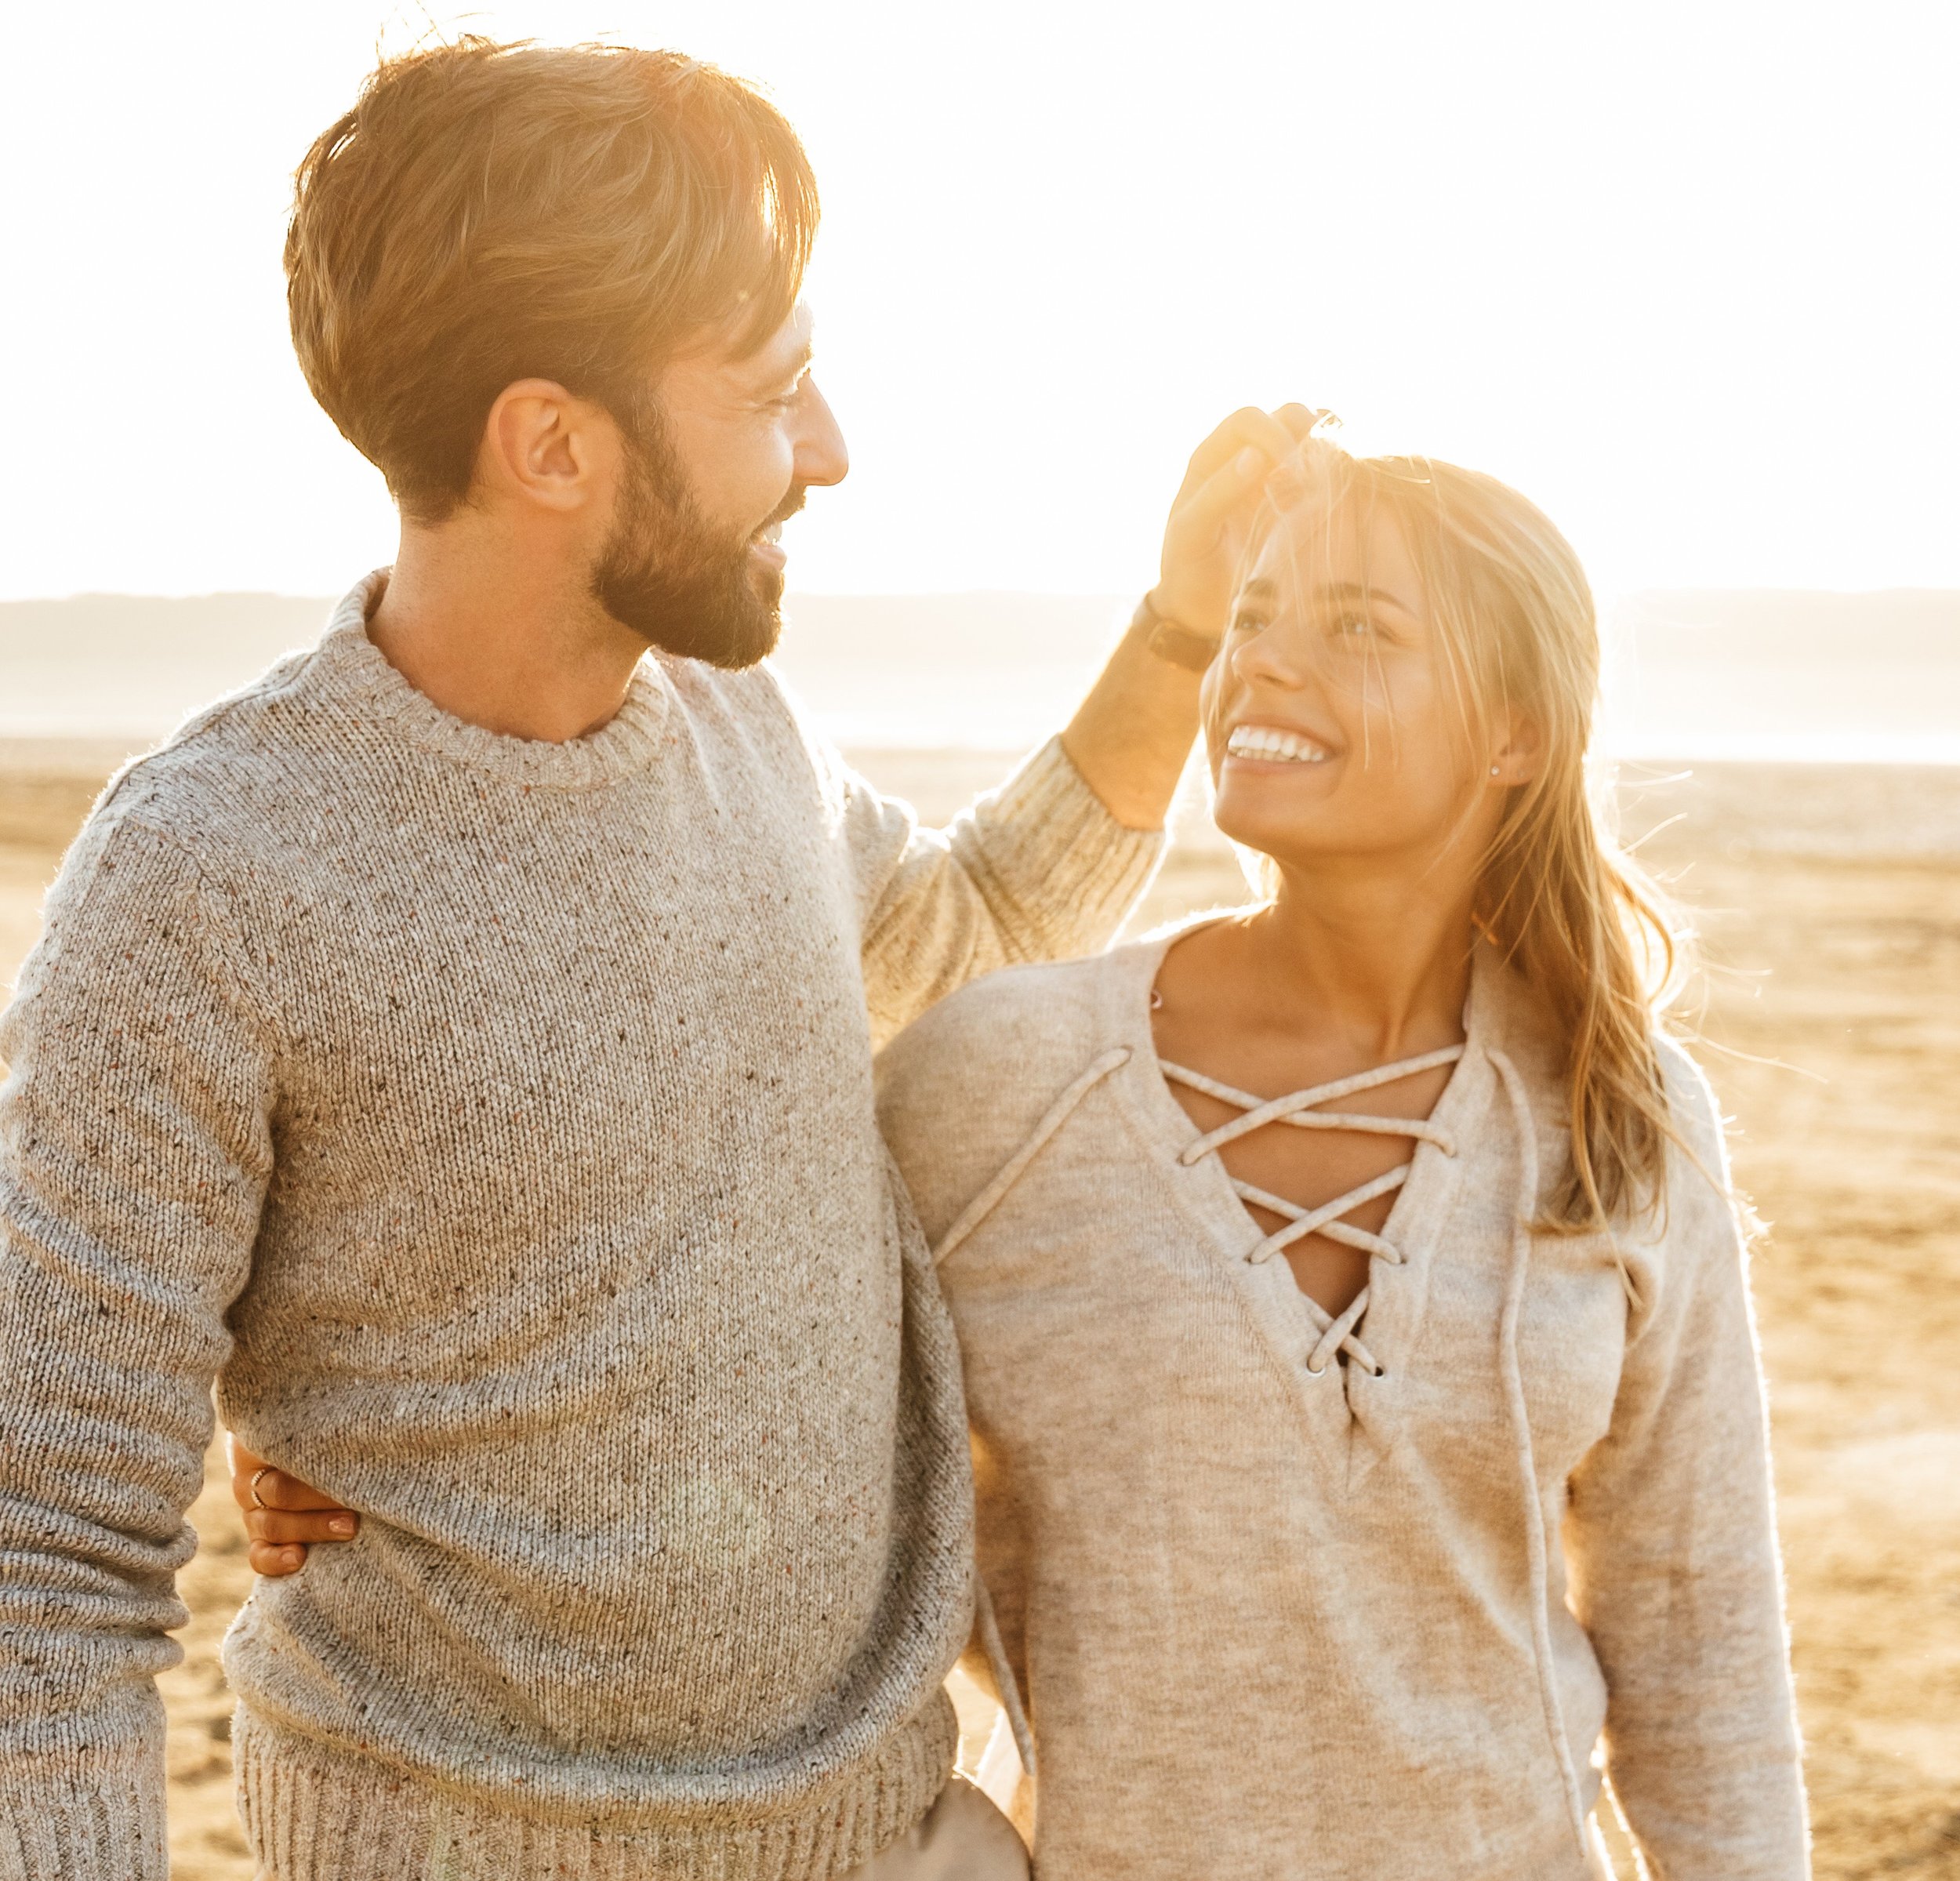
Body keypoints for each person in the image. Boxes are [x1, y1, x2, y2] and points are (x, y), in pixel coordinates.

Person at [0, 38, 1312, 1881]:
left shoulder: (737, 724)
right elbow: (46, 1570)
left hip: (890, 1831)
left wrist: (1179, 629)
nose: (833, 450)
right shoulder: (205, 876)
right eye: (775, 394)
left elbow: (969, 931)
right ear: (550, 442)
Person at [247, 441, 1816, 1879]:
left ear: (1516, 733)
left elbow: (1699, 1663)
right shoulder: (1008, 1082)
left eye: (1358, 627)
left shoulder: (1619, 1112)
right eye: (1254, 616)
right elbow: (715, 1383)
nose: (1263, 656)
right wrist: (412, 1456)